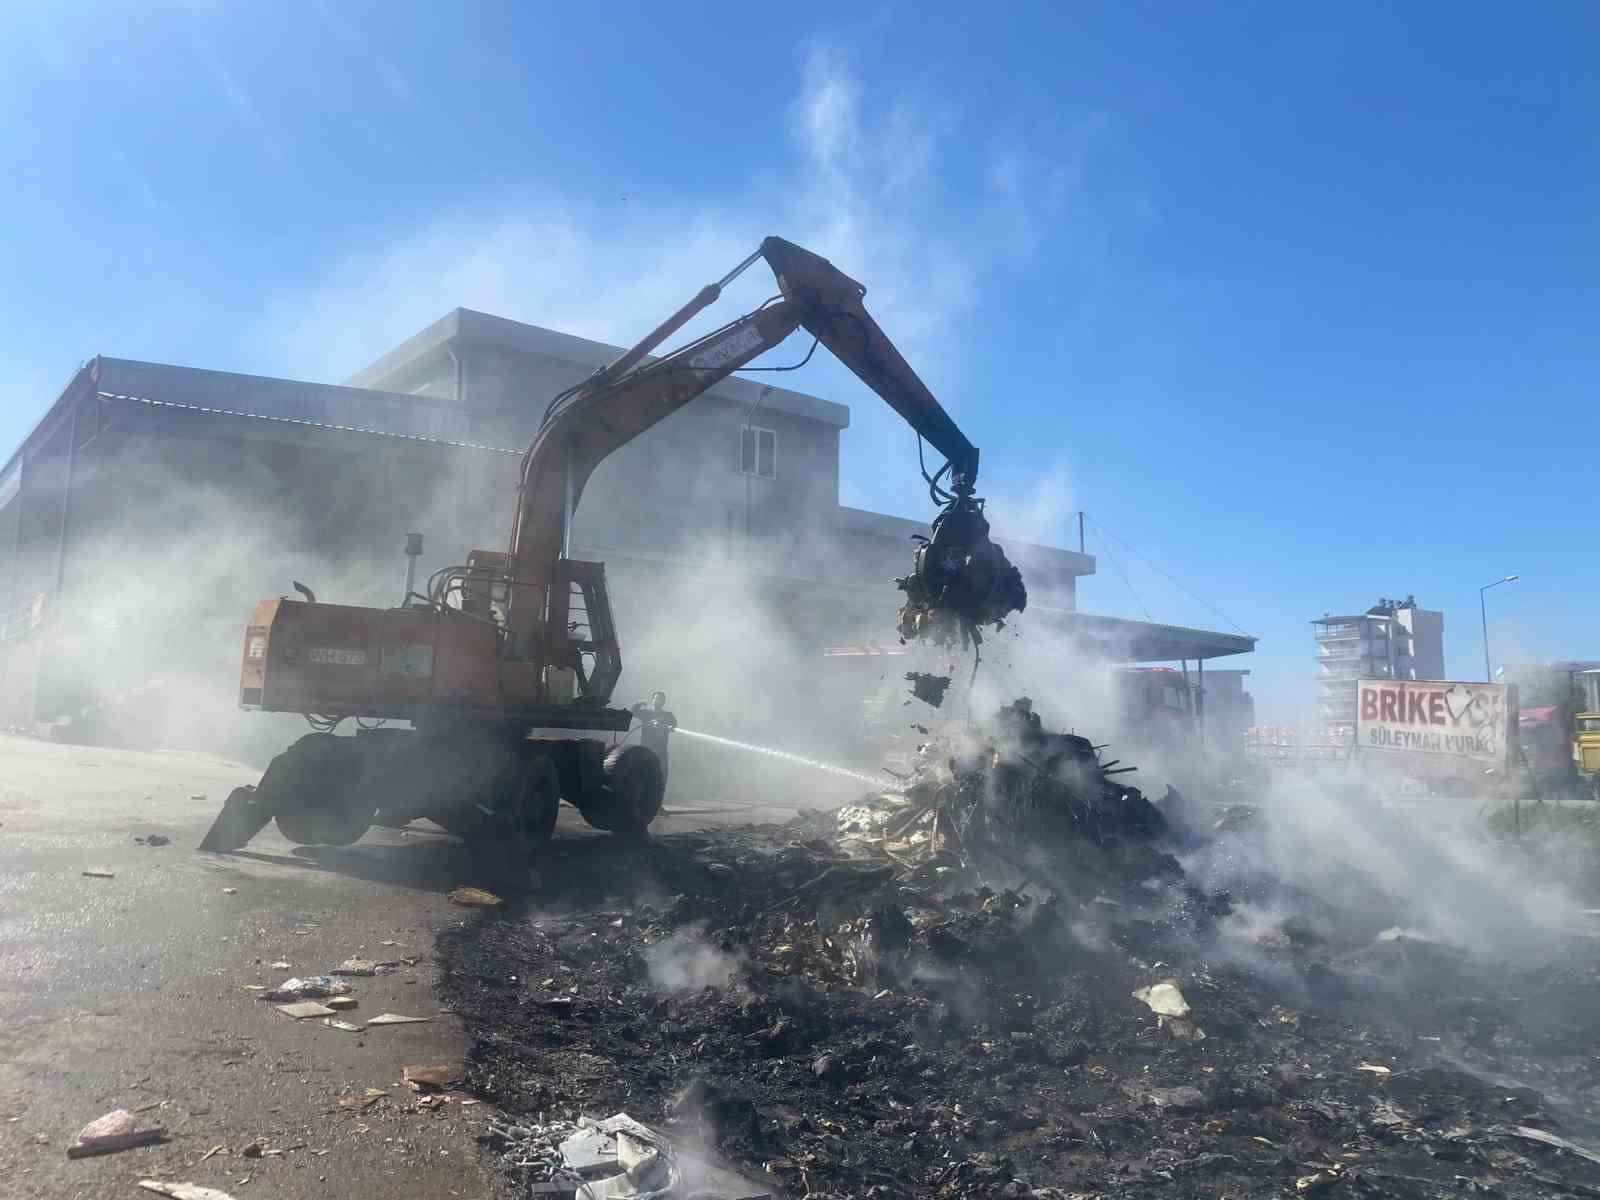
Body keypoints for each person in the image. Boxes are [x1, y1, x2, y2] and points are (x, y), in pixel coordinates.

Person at [630, 690, 677, 790]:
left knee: (662, 774)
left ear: (663, 702)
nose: (657, 701)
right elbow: (632, 712)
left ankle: (658, 800)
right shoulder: (646, 713)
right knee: (644, 772)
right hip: (646, 748)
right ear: (652, 700)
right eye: (656, 698)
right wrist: (638, 704)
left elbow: (674, 724)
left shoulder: (668, 715)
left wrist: (670, 727)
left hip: (661, 750)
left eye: (660, 699)